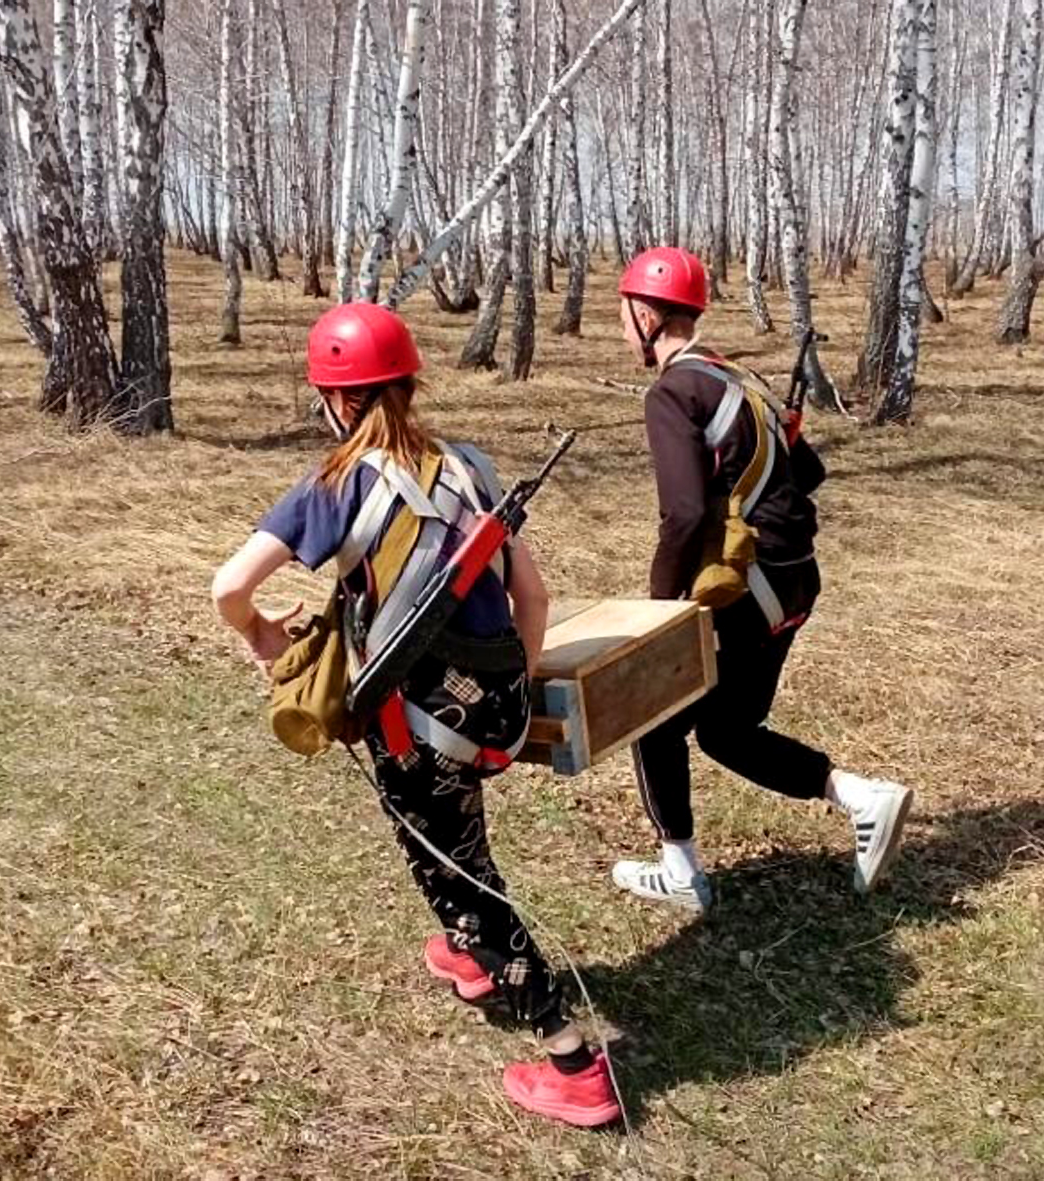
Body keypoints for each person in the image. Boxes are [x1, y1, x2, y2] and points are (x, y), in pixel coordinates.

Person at [209, 302, 621, 1128]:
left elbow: (227, 588)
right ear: (406, 383)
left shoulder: (330, 489)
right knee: (458, 833)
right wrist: (513, 685)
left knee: (456, 875)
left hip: (419, 723)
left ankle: (572, 1057)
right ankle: (474, 957)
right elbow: (530, 596)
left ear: (336, 400)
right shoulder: (471, 465)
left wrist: (260, 635)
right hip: (496, 709)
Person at [607, 246, 914, 913]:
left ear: (645, 313)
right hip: (793, 579)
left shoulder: (671, 392)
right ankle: (864, 799)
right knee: (726, 729)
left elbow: (684, 514)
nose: (620, 327)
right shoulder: (738, 378)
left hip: (743, 585)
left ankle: (681, 870)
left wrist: (660, 609)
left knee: (650, 711)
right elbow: (810, 475)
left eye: (622, 314)